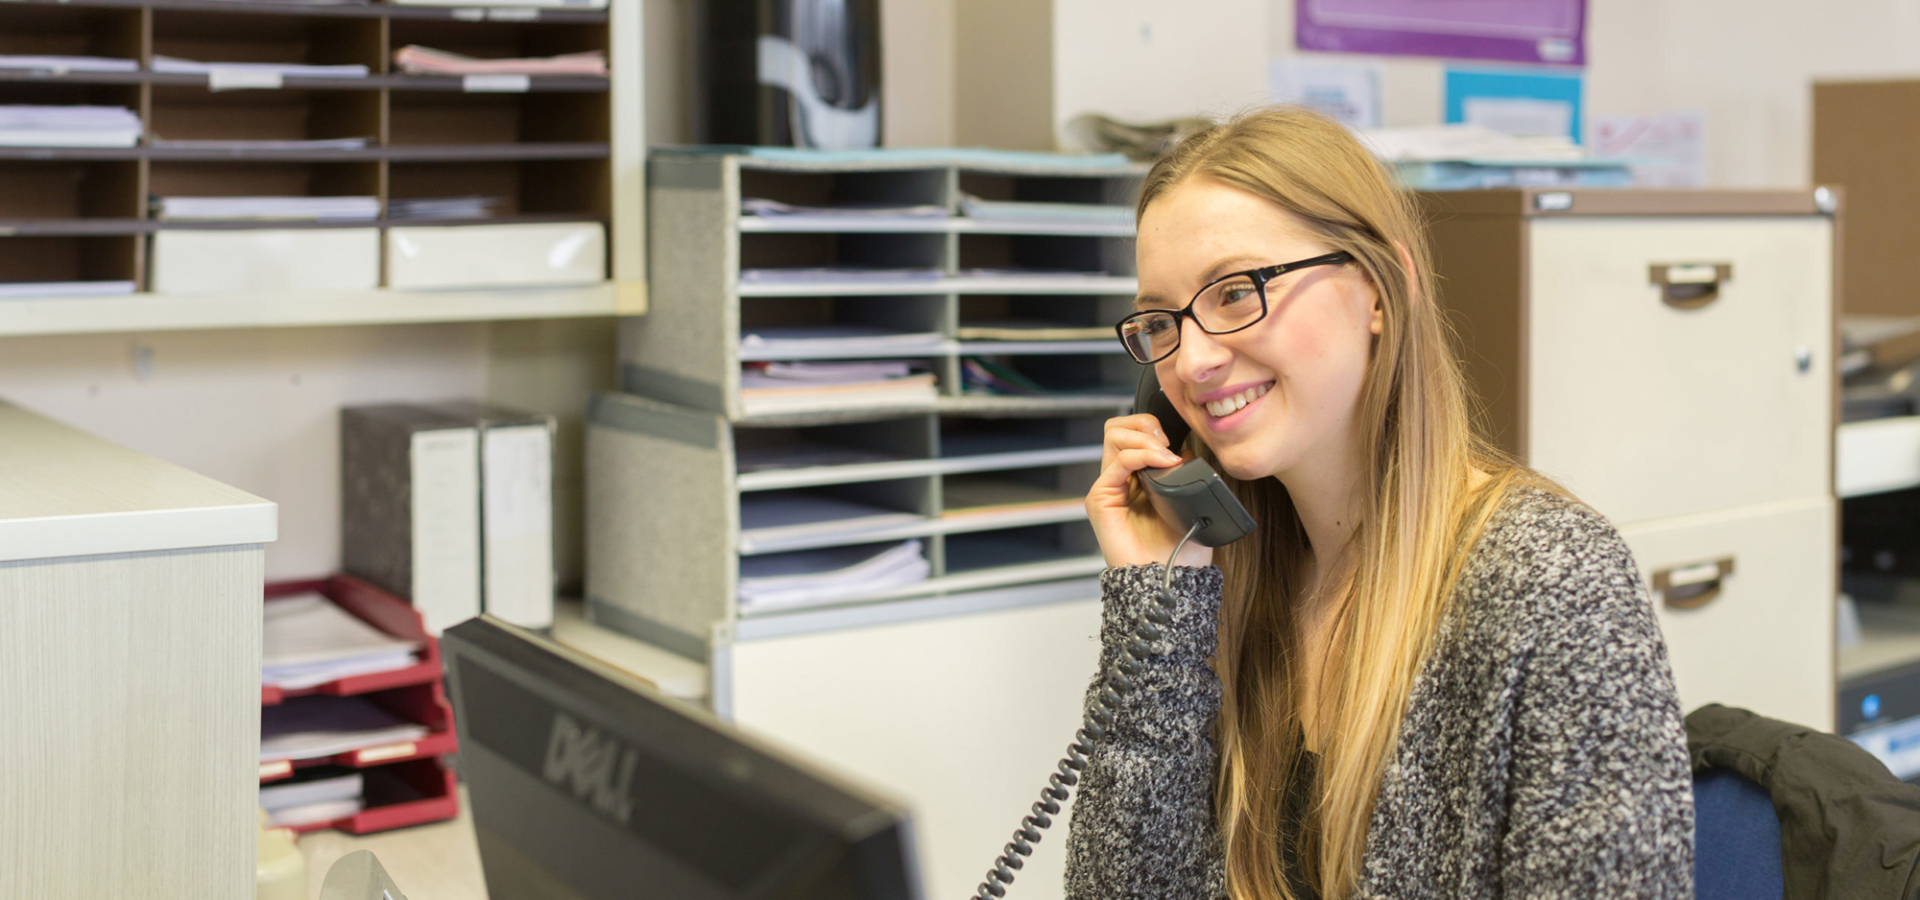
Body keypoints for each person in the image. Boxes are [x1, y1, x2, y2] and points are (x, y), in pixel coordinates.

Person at [1066, 106, 1694, 900]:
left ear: (1380, 290)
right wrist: (1156, 614)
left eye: (1235, 292)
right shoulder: (1235, 577)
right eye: (1161, 320)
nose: (1189, 362)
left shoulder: (1550, 582)